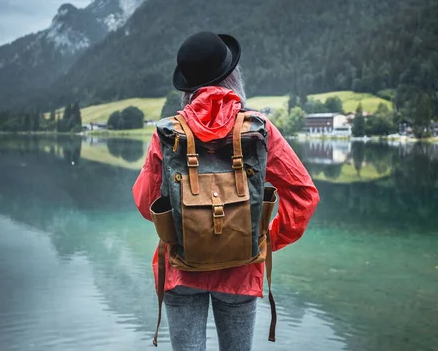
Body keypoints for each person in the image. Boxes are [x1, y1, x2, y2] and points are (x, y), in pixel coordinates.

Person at [133, 31, 319, 351]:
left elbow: (145, 203)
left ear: (188, 86)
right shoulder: (259, 130)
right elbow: (304, 195)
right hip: (241, 271)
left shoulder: (168, 133)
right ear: (233, 77)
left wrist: (191, 223)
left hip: (181, 268)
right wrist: (262, 237)